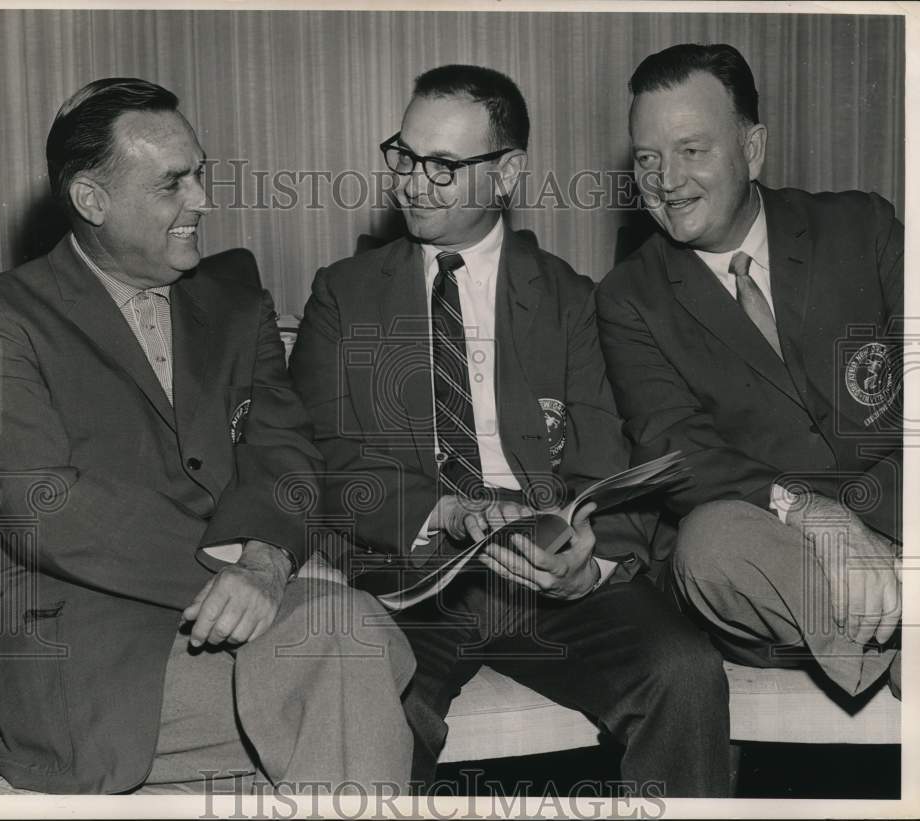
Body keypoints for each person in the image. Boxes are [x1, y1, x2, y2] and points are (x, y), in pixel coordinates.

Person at [0, 77, 414, 795]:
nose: (202, 200)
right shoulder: (0, 319)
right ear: (92, 200)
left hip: (248, 621)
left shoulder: (235, 306)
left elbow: (284, 452)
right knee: (361, 651)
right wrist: (228, 574)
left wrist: (264, 560)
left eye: (201, 174)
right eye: (174, 184)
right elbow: (45, 507)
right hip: (85, 652)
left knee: (353, 642)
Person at [290, 64, 730, 796]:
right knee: (376, 715)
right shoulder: (343, 294)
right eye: (403, 154)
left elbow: (609, 459)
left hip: (548, 572)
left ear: (506, 173)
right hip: (413, 573)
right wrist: (449, 513)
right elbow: (320, 459)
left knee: (684, 674)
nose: (411, 183)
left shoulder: (571, 299)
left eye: (441, 165)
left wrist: (587, 560)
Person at [596, 44, 902, 699]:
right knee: (707, 543)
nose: (667, 181)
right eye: (647, 159)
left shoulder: (861, 227)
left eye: (691, 151)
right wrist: (820, 518)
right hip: (781, 555)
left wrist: (878, 520)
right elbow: (680, 457)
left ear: (753, 149)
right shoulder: (629, 297)